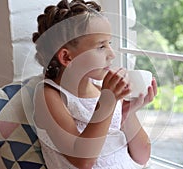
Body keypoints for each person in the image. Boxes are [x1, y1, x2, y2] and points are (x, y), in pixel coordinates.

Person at [32, 0, 158, 168]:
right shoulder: (49, 96)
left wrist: (128, 113)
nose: (112, 54)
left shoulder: (102, 89)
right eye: (101, 46)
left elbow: (142, 156)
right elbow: (82, 161)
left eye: (109, 44)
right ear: (67, 57)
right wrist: (107, 102)